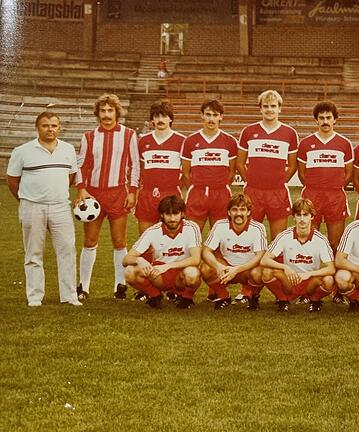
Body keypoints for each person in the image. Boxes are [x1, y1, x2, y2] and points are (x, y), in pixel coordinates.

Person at [7, 111, 81, 307]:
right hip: (32, 207)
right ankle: (34, 297)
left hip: (60, 207)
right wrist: (27, 199)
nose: (50, 129)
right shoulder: (22, 151)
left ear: (59, 128)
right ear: (37, 127)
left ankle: (69, 296)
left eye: (54, 125)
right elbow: (12, 181)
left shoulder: (67, 149)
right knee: (33, 253)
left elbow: (71, 177)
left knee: (67, 250)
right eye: (45, 125)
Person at [75, 93, 140, 301]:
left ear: (117, 113)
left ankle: (119, 286)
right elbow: (81, 165)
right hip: (93, 194)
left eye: (110, 110)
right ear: (97, 114)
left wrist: (132, 191)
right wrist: (81, 189)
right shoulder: (89, 136)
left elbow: (135, 164)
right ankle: (83, 286)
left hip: (118, 193)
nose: (106, 114)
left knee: (119, 240)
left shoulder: (129, 135)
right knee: (90, 240)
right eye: (102, 111)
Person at [236, 89, 299, 241]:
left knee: (277, 240)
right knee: (249, 239)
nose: (269, 110)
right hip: (253, 192)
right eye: (265, 106)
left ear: (279, 108)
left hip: (277, 192)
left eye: (273, 106)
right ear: (260, 108)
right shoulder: (249, 131)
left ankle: (273, 264)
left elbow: (292, 165)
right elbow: (240, 162)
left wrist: (280, 181)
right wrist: (250, 180)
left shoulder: (289, 133)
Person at [122, 195, 202, 309]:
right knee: (130, 272)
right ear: (161, 215)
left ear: (183, 214)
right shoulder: (152, 231)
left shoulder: (192, 228)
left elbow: (196, 259)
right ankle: (155, 296)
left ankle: (186, 298)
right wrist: (139, 259)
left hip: (182, 274)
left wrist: (168, 266)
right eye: (168, 214)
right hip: (160, 275)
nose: (172, 218)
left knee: (192, 274)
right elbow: (126, 260)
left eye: (176, 214)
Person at [260, 199, 336, 313]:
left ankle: (315, 300)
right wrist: (285, 268)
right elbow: (264, 260)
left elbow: (331, 268)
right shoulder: (284, 236)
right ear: (294, 217)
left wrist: (308, 274)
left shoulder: (320, 239)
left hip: (309, 281)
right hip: (290, 280)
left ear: (312, 216)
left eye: (305, 215)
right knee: (266, 272)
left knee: (329, 280)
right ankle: (283, 299)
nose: (302, 219)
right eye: (298, 215)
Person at [296, 100, 353, 251]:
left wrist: (336, 186)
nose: (325, 121)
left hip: (335, 196)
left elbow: (349, 173)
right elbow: (301, 173)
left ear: (335, 119)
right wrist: (313, 187)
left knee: (335, 243)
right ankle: (311, 273)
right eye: (321, 118)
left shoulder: (344, 143)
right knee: (308, 240)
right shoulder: (306, 143)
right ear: (316, 120)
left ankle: (333, 273)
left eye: (328, 117)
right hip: (312, 195)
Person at [200, 193, 268, 310]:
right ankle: (223, 296)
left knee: (259, 273)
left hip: (247, 269)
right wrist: (218, 266)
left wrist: (237, 269)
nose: (238, 213)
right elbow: (206, 251)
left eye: (242, 209)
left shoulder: (258, 228)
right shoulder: (220, 225)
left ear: (248, 212)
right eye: (234, 210)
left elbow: (260, 256)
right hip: (225, 268)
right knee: (206, 269)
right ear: (228, 212)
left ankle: (253, 296)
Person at [180, 99, 238, 231]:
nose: (211, 119)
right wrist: (197, 188)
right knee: (192, 236)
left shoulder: (230, 142)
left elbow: (232, 173)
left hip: (221, 194)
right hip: (197, 194)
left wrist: (219, 186)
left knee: (220, 239)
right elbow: (186, 173)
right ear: (202, 115)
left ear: (221, 117)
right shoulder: (190, 141)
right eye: (208, 114)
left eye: (215, 115)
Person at [136, 100, 185, 235]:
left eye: (164, 116)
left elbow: (188, 172)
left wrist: (176, 187)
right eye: (156, 116)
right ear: (152, 120)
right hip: (147, 195)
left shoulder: (182, 141)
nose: (160, 120)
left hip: (171, 195)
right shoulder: (143, 141)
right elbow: (140, 168)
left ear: (170, 118)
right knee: (145, 240)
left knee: (172, 241)